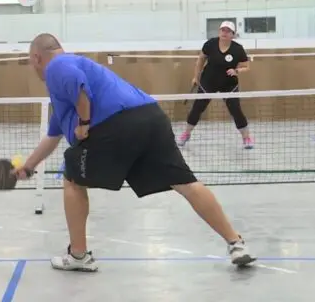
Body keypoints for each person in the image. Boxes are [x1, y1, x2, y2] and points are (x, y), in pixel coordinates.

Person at [13, 33, 256, 272]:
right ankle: (236, 243)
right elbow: (52, 137)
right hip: (151, 117)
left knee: (73, 179)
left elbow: (79, 88)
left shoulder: (58, 65)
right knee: (185, 183)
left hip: (114, 124)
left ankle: (78, 254)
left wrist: (84, 124)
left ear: (36, 57)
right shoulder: (64, 91)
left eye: (30, 62)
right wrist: (28, 167)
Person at [178, 21, 254, 149]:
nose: (224, 33)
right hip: (209, 82)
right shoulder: (210, 44)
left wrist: (236, 71)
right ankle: (186, 134)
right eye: (222, 30)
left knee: (235, 110)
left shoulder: (238, 49)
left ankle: (246, 138)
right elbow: (200, 60)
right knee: (197, 108)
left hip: (229, 84)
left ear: (233, 35)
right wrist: (196, 77)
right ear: (219, 32)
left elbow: (247, 66)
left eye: (228, 31)